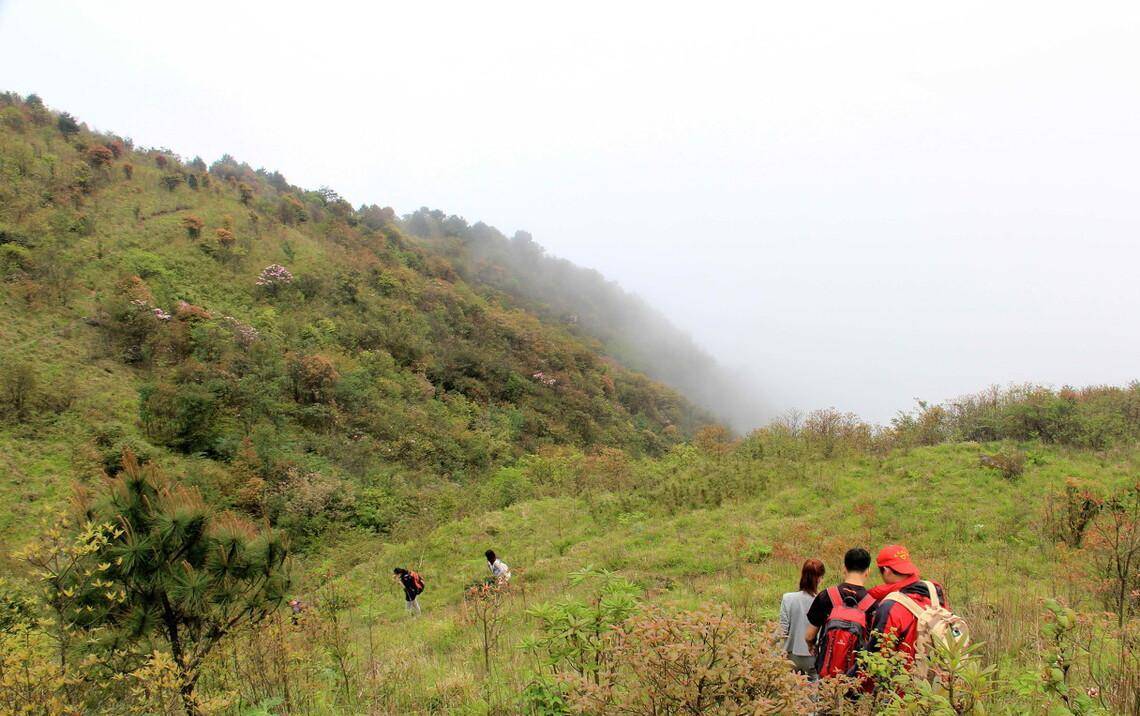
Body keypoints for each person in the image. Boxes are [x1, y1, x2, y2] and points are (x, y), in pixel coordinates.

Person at [863, 544, 949, 665]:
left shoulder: (890, 606)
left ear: (886, 571)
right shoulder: (934, 591)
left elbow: (877, 657)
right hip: (939, 674)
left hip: (906, 678)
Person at [804, 547, 875, 678]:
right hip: (856, 677)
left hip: (827, 672)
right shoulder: (872, 604)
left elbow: (809, 636)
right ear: (868, 571)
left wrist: (812, 647)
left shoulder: (826, 595)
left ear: (844, 568)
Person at [779, 558, 825, 676]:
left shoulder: (788, 598)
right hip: (813, 656)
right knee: (813, 690)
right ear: (820, 578)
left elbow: (782, 630)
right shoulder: (823, 601)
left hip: (790, 656)